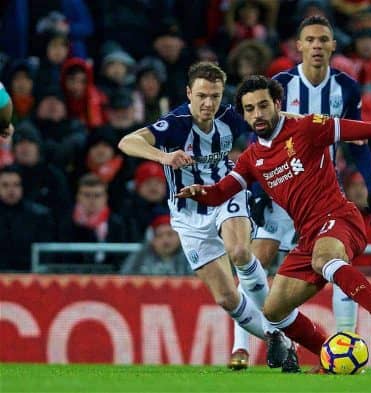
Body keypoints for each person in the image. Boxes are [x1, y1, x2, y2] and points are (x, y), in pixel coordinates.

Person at [176, 75, 371, 371]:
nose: (258, 114)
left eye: (264, 105)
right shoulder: (251, 158)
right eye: (250, 109)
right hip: (309, 237)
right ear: (244, 114)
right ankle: (327, 354)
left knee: (324, 259)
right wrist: (199, 193)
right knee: (274, 311)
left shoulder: (307, 127)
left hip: (339, 219)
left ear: (278, 104)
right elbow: (220, 192)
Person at [118, 61, 298, 372]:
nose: (208, 103)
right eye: (201, 95)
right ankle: (277, 338)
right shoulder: (175, 123)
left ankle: (279, 319)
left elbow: (277, 119)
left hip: (226, 195)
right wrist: (164, 156)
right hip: (188, 215)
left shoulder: (230, 116)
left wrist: (327, 129)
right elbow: (127, 142)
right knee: (227, 298)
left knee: (241, 252)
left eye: (214, 96)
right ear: (189, 93)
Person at [248, 16, 371, 351]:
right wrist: (256, 191)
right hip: (282, 188)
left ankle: (347, 337)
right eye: (310, 40)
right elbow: (260, 140)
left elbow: (359, 141)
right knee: (257, 258)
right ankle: (263, 340)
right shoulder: (280, 84)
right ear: (299, 46)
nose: (317, 46)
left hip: (322, 192)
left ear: (333, 46)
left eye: (324, 40)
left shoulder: (347, 88)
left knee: (336, 259)